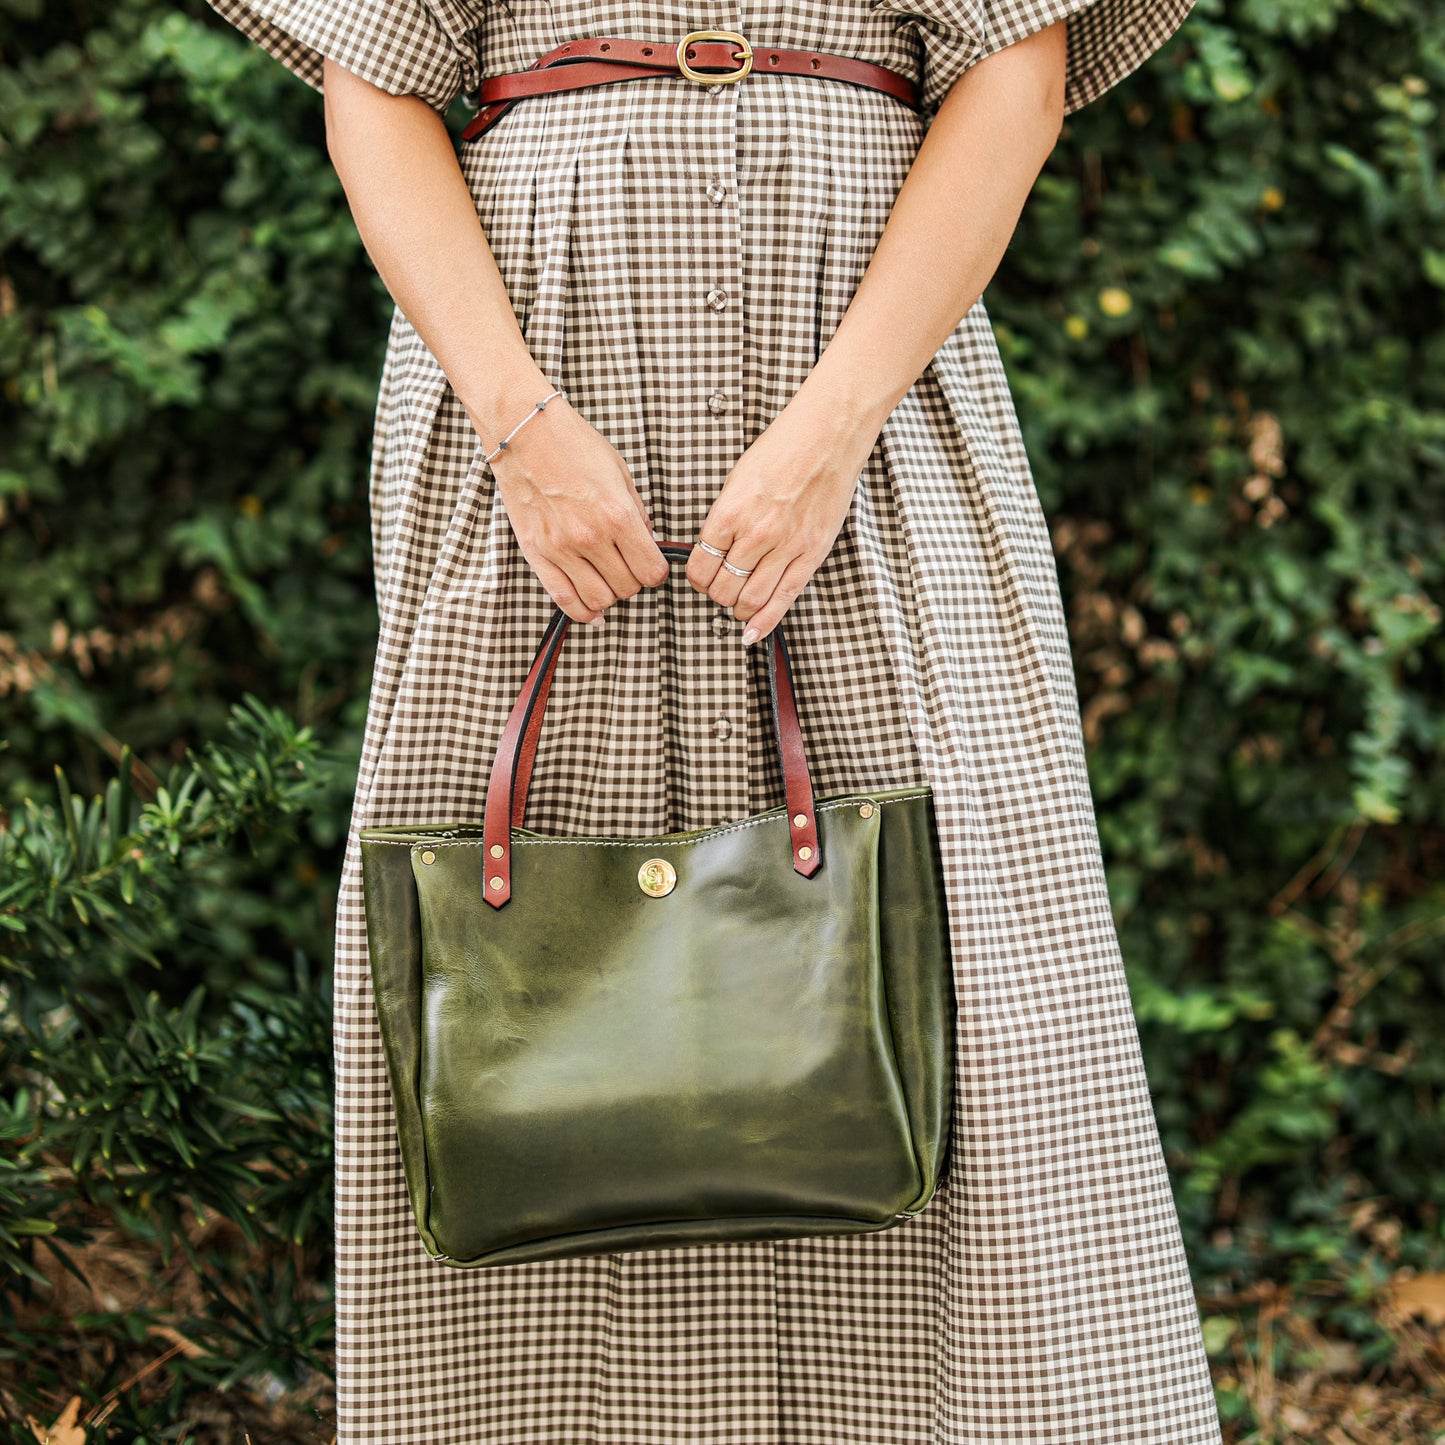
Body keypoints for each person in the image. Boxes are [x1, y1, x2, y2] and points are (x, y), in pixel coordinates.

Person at [202, 1, 1223, 1440]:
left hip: (867, 387)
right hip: (530, 409)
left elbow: (1015, 67)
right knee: (524, 975)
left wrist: (829, 431)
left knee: (956, 944)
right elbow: (378, 91)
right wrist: (519, 426)